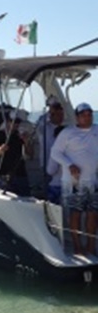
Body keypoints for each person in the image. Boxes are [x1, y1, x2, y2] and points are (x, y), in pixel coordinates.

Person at [50, 102, 98, 255]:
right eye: (83, 114)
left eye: (89, 114)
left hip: (93, 181)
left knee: (92, 214)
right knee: (75, 213)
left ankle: (90, 246)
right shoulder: (67, 133)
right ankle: (77, 246)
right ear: (77, 117)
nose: (87, 117)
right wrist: (69, 165)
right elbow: (55, 153)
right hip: (73, 182)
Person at [0, 109, 33, 196]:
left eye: (18, 122)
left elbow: (30, 154)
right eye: (13, 121)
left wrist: (26, 142)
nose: (16, 124)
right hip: (4, 174)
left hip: (20, 174)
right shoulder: (0, 134)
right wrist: (1, 149)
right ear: (8, 121)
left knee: (26, 196)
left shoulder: (20, 135)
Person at [38, 97, 67, 200]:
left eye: (62, 114)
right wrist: (51, 109)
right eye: (58, 114)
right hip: (47, 163)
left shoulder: (66, 130)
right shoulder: (44, 126)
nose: (61, 117)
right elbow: (42, 120)